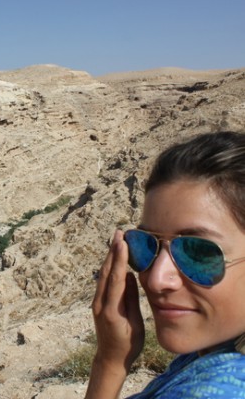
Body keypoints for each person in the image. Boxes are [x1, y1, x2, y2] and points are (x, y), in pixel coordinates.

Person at [85, 131, 245, 398]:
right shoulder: (216, 351)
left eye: (198, 252)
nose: (156, 279)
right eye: (147, 245)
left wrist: (109, 365)